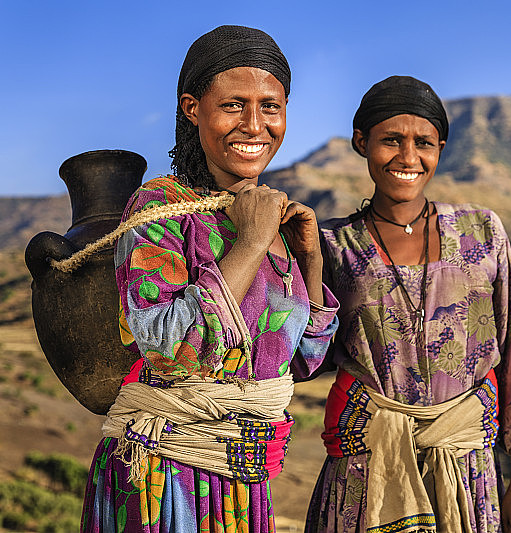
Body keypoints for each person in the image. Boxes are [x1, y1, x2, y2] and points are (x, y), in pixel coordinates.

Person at [80, 25, 339, 533]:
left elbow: (306, 362)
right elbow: (170, 347)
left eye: (271, 106)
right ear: (192, 107)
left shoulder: (274, 217)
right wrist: (250, 243)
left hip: (243, 483)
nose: (254, 124)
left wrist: (309, 259)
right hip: (163, 477)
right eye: (233, 105)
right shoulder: (160, 208)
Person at [304, 76, 511, 533]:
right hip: (367, 473)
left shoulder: (481, 231)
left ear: (441, 147)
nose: (408, 157)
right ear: (361, 142)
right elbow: (305, 360)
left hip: (467, 470)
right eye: (390, 141)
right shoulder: (331, 242)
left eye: (424, 143)